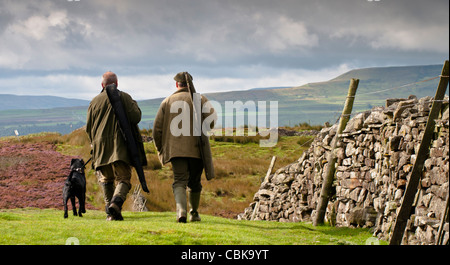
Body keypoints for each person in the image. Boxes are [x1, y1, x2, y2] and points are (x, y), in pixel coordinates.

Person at [153, 72, 216, 223]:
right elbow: (212, 120)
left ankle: (181, 211)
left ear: (177, 84)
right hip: (197, 149)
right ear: (190, 84)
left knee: (179, 181)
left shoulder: (167, 101)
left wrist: (161, 148)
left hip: (175, 151)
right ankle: (194, 213)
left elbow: (157, 130)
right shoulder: (200, 99)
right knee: (195, 182)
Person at [86, 71, 142, 221]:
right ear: (116, 84)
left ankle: (110, 214)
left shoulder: (94, 102)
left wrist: (95, 143)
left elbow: (88, 128)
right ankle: (116, 205)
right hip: (120, 148)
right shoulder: (123, 97)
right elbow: (136, 117)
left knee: (106, 180)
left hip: (100, 148)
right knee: (123, 179)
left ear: (102, 85)